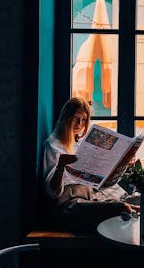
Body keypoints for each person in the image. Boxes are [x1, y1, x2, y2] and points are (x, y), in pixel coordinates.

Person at [43, 97, 138, 232]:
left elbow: (103, 182)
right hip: (69, 205)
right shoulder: (53, 145)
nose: (80, 124)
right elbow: (52, 193)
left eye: (84, 120)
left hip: (91, 196)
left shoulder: (79, 144)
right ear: (66, 117)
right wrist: (60, 167)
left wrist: (122, 165)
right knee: (119, 209)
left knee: (134, 204)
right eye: (76, 118)